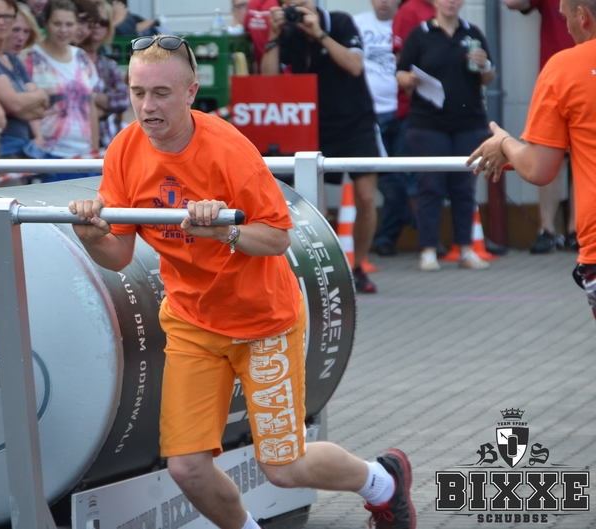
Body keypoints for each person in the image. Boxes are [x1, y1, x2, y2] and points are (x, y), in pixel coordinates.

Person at [68, 33, 415, 529]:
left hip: (263, 324)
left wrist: (226, 231)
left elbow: (276, 238)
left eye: (161, 93)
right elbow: (119, 255)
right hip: (191, 323)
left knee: (284, 467)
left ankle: (383, 482)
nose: (147, 107)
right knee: (186, 468)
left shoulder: (229, 149)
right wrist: (89, 236)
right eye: (138, 92)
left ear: (191, 92)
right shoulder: (124, 149)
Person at [469, 0, 596, 318]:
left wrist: (504, 143)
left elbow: (539, 168)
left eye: (565, 18)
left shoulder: (564, 67)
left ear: (583, 17)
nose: (566, 28)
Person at [261, 0, 381, 294]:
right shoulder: (289, 33)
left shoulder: (339, 22)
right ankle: (327, 271)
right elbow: (268, 81)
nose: (297, 5)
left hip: (356, 121)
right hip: (313, 124)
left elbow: (354, 65)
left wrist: (320, 35)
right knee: (315, 207)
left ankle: (359, 265)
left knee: (366, 198)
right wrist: (273, 37)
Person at [396, 0, 494, 271]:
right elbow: (400, 73)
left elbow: (489, 77)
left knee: (465, 186)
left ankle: (465, 249)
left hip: (469, 121)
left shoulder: (472, 33)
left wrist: (484, 65)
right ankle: (428, 250)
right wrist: (409, 80)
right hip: (428, 122)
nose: (451, 2)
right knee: (430, 185)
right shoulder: (420, 34)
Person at [504, 0, 577, 253]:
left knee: (585, 158)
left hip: (588, 79)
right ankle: (547, 229)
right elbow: (512, 2)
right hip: (555, 82)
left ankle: (576, 229)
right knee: (551, 155)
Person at [355, 0, 415, 257]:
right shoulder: (357, 24)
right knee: (386, 179)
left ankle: (387, 239)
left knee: (405, 175)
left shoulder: (407, 23)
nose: (383, 1)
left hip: (402, 109)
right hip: (368, 113)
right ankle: (415, 222)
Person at [23, 0, 99, 177]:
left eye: (69, 24)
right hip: (50, 154)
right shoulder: (30, 57)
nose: (63, 30)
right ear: (46, 23)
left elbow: (91, 105)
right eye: (57, 24)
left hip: (85, 155)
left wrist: (94, 149)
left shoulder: (81, 57)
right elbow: (25, 106)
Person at [0, 0, 48, 158]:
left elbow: (41, 110)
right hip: (0, 147)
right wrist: (39, 95)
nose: (1, 22)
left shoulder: (12, 59)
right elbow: (14, 104)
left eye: (7, 17)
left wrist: (35, 99)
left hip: (23, 147)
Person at [79, 0, 128, 147]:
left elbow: (123, 100)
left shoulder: (109, 64)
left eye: (103, 22)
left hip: (106, 143)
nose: (97, 26)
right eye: (92, 21)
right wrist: (102, 104)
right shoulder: (71, 59)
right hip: (74, 144)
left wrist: (92, 98)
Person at [242, 0, 277, 70]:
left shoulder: (252, 5)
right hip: (276, 66)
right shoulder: (275, 6)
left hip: (261, 67)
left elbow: (246, 28)